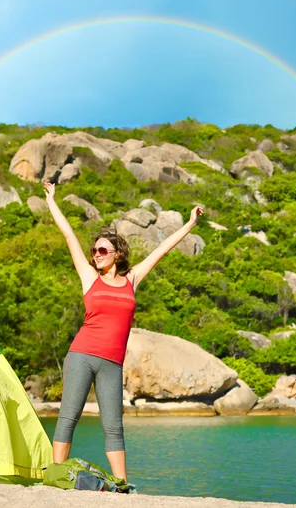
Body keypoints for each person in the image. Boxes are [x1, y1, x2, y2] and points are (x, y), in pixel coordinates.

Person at [44, 181, 203, 481]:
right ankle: (56, 476)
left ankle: (123, 485)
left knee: (114, 426)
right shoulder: (89, 277)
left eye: (103, 249)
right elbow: (68, 235)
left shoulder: (132, 278)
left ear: (118, 253)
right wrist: (52, 200)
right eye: (95, 250)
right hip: (81, 355)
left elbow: (162, 249)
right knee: (68, 417)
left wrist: (190, 223)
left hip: (112, 363)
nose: (97, 253)